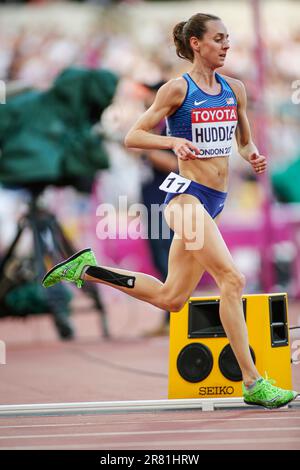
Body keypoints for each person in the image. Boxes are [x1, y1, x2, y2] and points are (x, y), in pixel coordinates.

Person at [42, 13, 298, 409]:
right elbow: (133, 135)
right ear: (196, 44)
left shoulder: (235, 89)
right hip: (184, 201)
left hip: (212, 202)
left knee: (171, 298)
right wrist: (173, 143)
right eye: (218, 39)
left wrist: (254, 156)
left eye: (228, 39)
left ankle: (87, 268)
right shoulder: (177, 90)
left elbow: (243, 141)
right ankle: (253, 381)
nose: (226, 45)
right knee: (232, 279)